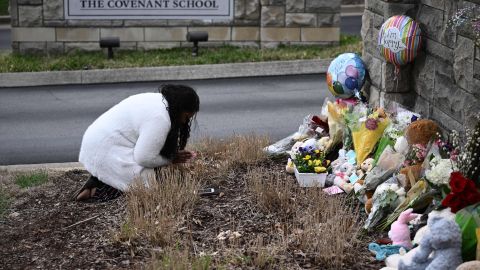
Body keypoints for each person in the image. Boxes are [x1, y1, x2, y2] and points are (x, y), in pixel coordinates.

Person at [75, 84, 200, 202]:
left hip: (96, 145)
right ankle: (98, 191)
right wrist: (170, 160)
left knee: (152, 172)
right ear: (179, 109)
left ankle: (99, 179)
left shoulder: (157, 100)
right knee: (149, 187)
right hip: (106, 151)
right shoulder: (160, 118)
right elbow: (144, 158)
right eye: (186, 117)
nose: (184, 122)